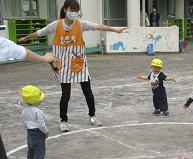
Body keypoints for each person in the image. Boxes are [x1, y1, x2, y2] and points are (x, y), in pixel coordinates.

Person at [18, 0, 128, 132]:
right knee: (65, 96)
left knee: (88, 93)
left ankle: (92, 116)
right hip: (63, 65)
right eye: (72, 9)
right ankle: (63, 120)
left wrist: (114, 29)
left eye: (76, 10)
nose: (74, 12)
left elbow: (97, 26)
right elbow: (40, 32)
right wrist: (26, 38)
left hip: (79, 64)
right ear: (65, 9)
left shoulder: (81, 25)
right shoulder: (56, 24)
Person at [21, 85, 50, 159]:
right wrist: (46, 132)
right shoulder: (38, 112)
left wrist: (28, 130)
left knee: (31, 148)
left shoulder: (24, 111)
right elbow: (41, 124)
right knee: (40, 150)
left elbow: (24, 122)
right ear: (37, 100)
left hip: (29, 132)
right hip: (38, 132)